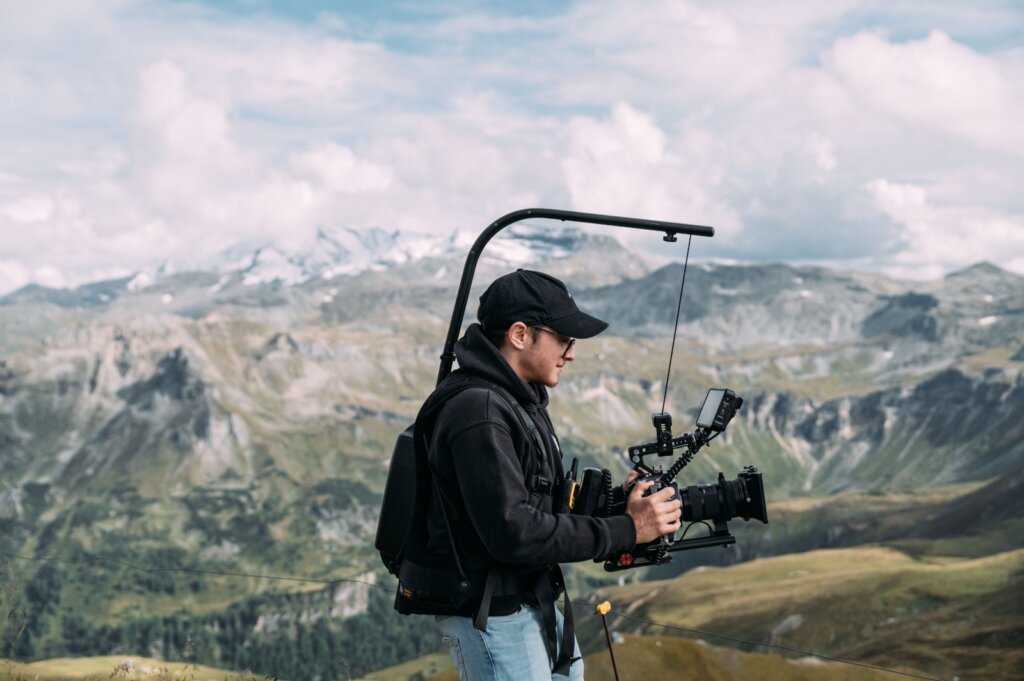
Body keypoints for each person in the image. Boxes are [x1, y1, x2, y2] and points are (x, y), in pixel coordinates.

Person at [423, 269, 682, 681]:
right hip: (496, 618)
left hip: (530, 603)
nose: (572, 352)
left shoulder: (518, 401)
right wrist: (627, 530)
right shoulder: (480, 411)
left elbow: (542, 504)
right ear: (520, 335)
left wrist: (619, 505)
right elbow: (515, 531)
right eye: (564, 338)